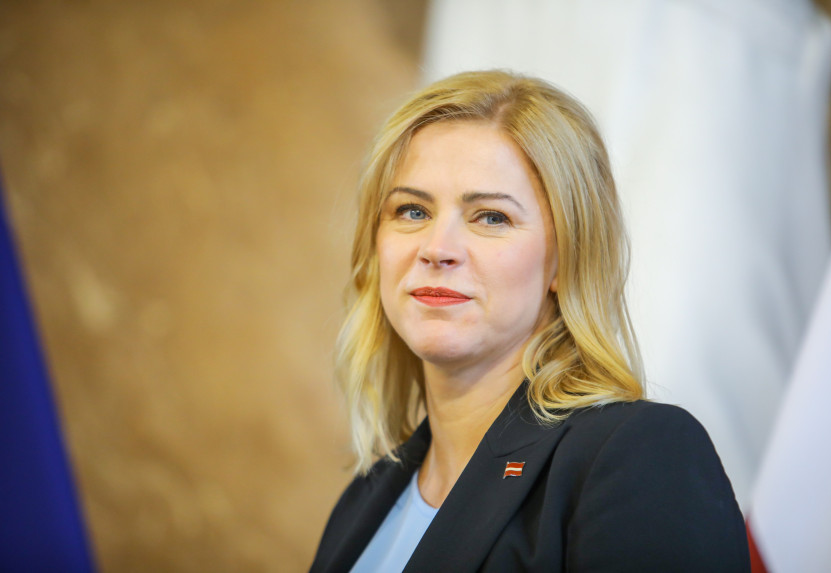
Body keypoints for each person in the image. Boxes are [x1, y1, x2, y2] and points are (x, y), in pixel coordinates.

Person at [310, 70, 750, 572]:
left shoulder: (639, 455)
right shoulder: (364, 498)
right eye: (412, 211)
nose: (437, 248)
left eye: (491, 217)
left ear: (566, 259)